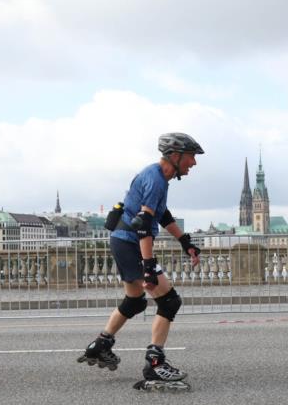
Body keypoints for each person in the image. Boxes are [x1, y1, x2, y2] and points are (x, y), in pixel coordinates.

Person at [77, 132, 204, 391]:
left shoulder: (158, 176)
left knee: (135, 302)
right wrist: (148, 267)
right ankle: (155, 364)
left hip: (124, 241)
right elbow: (144, 225)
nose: (194, 163)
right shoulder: (156, 179)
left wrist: (184, 241)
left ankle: (100, 345)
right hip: (130, 242)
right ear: (175, 155)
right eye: (191, 156)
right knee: (169, 301)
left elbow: (162, 214)